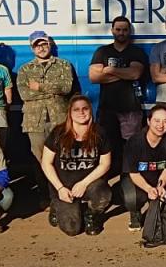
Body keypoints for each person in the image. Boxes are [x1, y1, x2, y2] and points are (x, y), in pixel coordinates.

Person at [17, 30, 74, 211]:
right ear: (32, 48)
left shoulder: (64, 65)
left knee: (63, 156)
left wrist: (40, 86)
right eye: (37, 45)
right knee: (39, 159)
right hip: (35, 121)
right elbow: (25, 93)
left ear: (49, 44)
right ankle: (45, 196)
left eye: (44, 44)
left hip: (59, 119)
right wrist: (52, 90)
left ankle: (64, 192)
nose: (41, 48)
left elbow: (66, 88)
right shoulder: (25, 69)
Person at [41, 95, 113, 237]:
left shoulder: (99, 133)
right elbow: (46, 163)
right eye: (76, 109)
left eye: (85, 109)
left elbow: (105, 164)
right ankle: (56, 205)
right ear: (70, 113)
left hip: (88, 184)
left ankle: (91, 215)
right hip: (63, 188)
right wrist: (60, 188)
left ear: (90, 111)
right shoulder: (58, 133)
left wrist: (84, 183)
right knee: (72, 229)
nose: (81, 112)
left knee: (104, 193)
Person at [89, 16, 148, 175]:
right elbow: (94, 77)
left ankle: (130, 181)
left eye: (125, 29)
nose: (121, 32)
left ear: (129, 31)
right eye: (118, 29)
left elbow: (135, 73)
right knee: (106, 148)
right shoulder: (102, 51)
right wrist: (124, 73)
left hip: (130, 109)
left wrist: (109, 70)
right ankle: (108, 181)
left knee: (131, 148)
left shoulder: (136, 52)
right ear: (112, 30)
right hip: (107, 109)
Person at [122, 105, 166, 232]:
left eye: (165, 121)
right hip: (139, 180)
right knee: (131, 197)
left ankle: (158, 210)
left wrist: (160, 186)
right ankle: (135, 212)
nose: (161, 125)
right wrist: (148, 189)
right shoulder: (135, 142)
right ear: (149, 121)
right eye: (157, 121)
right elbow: (134, 173)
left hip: (159, 179)